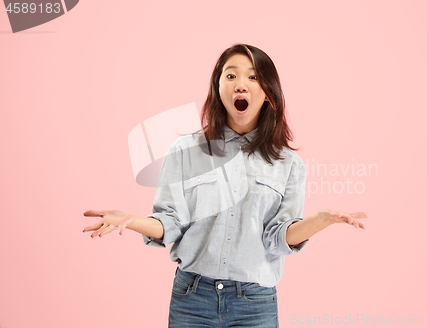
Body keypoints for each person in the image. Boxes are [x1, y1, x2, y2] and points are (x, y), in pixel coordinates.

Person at [83, 44, 368, 327]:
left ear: (268, 93)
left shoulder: (288, 164)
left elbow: (277, 237)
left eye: (253, 77)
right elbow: (170, 222)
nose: (240, 85)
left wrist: (320, 221)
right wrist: (132, 220)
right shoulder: (186, 152)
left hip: (255, 305)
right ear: (217, 89)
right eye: (230, 76)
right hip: (192, 299)